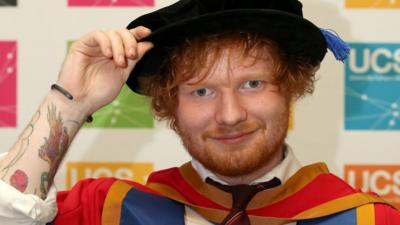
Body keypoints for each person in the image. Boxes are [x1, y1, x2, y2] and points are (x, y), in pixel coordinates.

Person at [1, 0, 400, 224]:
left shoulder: (369, 220)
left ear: (290, 89)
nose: (229, 114)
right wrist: (70, 101)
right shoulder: (108, 211)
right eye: (202, 91)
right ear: (169, 105)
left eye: (252, 84)